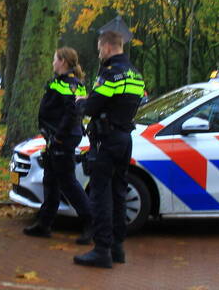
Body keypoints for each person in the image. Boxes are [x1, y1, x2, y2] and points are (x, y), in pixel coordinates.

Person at [73, 30, 145, 268]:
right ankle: (117, 248)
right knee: (118, 192)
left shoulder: (110, 73)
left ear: (107, 47)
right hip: (125, 139)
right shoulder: (136, 74)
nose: (99, 54)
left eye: (99, 49)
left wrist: (81, 102)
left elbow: (92, 107)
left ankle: (101, 250)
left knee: (100, 194)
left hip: (107, 140)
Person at [23, 47, 93, 240]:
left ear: (62, 61)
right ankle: (44, 224)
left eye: (55, 59)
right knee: (51, 181)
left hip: (63, 138)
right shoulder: (62, 81)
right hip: (55, 137)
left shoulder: (71, 84)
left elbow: (72, 114)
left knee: (68, 182)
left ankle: (91, 221)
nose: (53, 62)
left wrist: (59, 137)